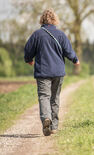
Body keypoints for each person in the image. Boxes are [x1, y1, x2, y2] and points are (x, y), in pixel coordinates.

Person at [24, 8, 80, 136]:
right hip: (58, 72)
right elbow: (68, 50)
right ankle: (53, 126)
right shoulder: (60, 34)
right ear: (55, 20)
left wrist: (29, 60)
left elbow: (28, 50)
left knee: (44, 96)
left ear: (42, 20)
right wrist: (75, 59)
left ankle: (46, 118)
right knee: (55, 98)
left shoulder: (37, 34)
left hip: (43, 72)